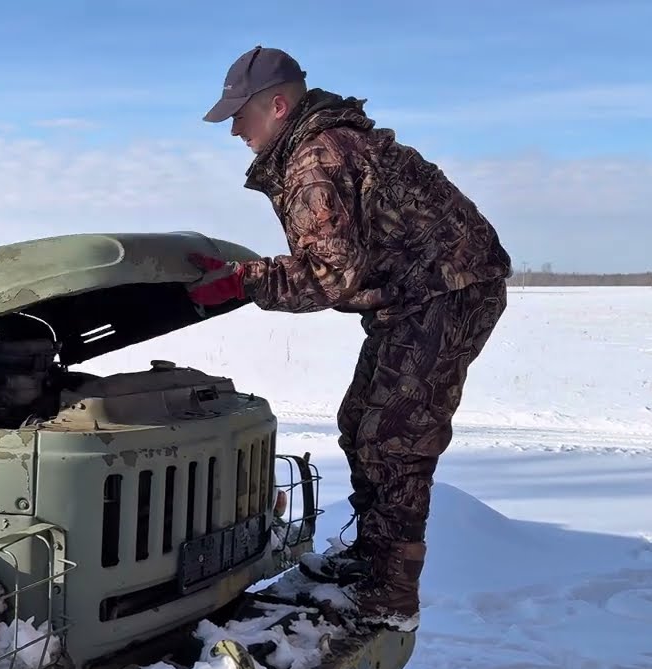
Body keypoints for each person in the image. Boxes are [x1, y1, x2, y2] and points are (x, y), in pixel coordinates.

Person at [189, 45, 512, 628]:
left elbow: (330, 273)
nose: (234, 129)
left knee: (394, 437)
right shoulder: (320, 146)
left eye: (240, 114)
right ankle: (371, 557)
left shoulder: (316, 158)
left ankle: (391, 592)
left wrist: (242, 281)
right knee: (360, 420)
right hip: (419, 294)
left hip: (448, 290)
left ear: (278, 106)